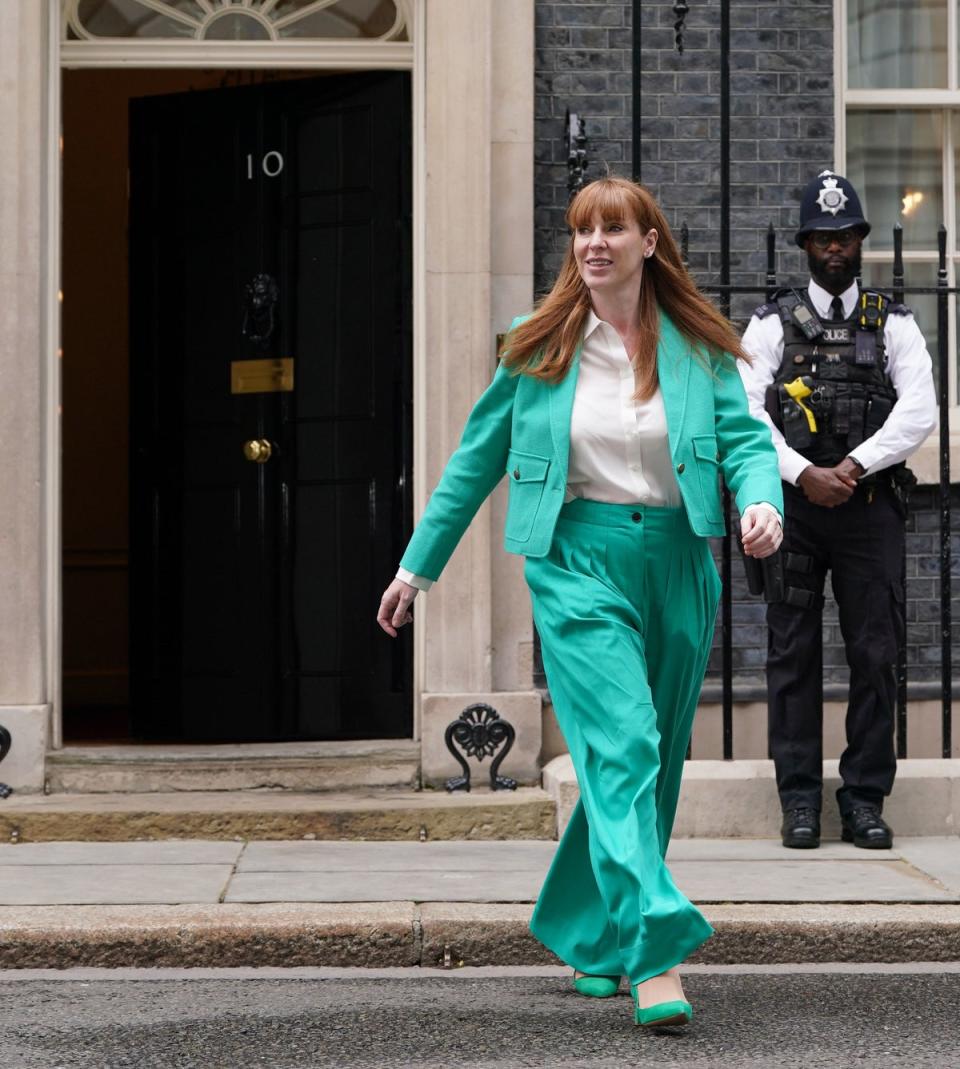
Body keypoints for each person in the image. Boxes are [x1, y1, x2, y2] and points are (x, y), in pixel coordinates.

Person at [378, 176, 783, 1028]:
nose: (594, 243)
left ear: (647, 243)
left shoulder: (697, 347)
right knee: (625, 740)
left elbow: (745, 440)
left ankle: (589, 935)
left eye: (613, 229)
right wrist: (416, 570)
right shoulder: (536, 351)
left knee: (647, 764)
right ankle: (655, 949)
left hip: (678, 559)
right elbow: (472, 464)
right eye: (580, 231)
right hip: (575, 558)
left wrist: (760, 501)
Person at [740, 171, 937, 852]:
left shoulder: (896, 324)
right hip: (794, 508)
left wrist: (851, 466)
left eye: (844, 235)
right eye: (822, 237)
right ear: (805, 243)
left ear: (860, 240)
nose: (833, 247)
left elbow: (920, 411)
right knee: (791, 654)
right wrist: (801, 472)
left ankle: (863, 797)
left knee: (876, 654)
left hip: (869, 505)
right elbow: (744, 412)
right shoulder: (768, 324)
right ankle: (799, 799)